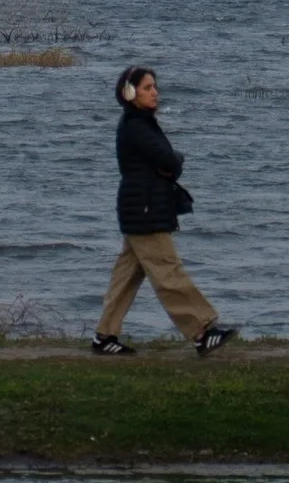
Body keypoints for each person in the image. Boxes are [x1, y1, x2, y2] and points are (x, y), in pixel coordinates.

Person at [92, 63, 232, 355]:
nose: (155, 92)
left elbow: (167, 161)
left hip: (141, 209)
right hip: (146, 212)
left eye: (155, 86)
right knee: (168, 272)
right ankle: (202, 332)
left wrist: (171, 162)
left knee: (126, 276)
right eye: (147, 88)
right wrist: (173, 161)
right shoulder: (136, 127)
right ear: (130, 93)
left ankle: (104, 337)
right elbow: (169, 160)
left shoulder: (140, 123)